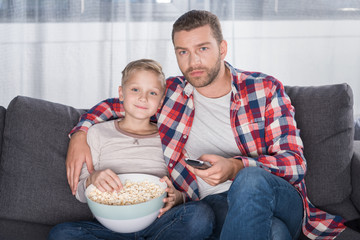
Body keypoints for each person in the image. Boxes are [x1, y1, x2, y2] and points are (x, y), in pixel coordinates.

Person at [66, 10, 346, 239]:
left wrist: (235, 167)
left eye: (202, 48)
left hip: (278, 196)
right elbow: (122, 103)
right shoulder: (170, 93)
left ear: (222, 48)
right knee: (275, 233)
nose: (193, 61)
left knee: (248, 181)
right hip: (213, 205)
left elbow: (296, 163)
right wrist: (81, 131)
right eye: (183, 52)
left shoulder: (264, 89)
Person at [48, 59, 214, 240]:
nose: (143, 98)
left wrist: (178, 197)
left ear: (160, 103)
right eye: (135, 90)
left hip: (158, 224)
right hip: (110, 228)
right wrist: (92, 180)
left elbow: (184, 186)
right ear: (121, 93)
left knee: (200, 215)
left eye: (152, 93)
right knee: (61, 234)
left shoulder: (169, 138)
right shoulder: (98, 133)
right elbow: (80, 192)